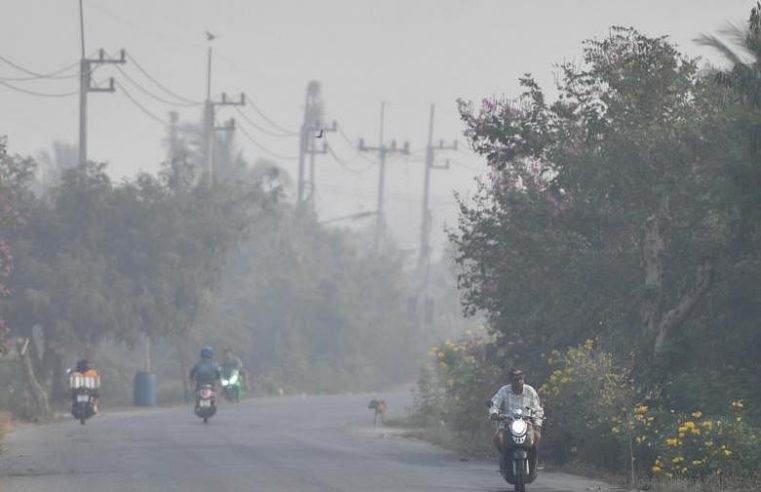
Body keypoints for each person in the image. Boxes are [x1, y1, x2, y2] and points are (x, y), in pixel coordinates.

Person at [489, 368, 544, 473]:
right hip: (507, 422)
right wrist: (494, 413)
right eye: (515, 379)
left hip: (526, 422)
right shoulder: (504, 391)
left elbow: (538, 408)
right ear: (510, 380)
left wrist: (537, 423)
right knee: (497, 438)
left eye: (520, 379)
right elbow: (494, 403)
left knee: (537, 436)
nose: (518, 382)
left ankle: (534, 460)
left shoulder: (530, 391)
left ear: (524, 379)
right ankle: (505, 458)